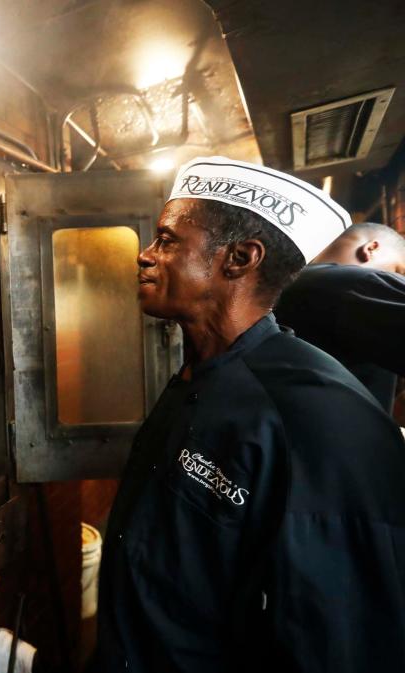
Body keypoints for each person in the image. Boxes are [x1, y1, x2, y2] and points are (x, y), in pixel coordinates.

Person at [95, 157, 405, 672]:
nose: (145, 257)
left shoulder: (314, 417)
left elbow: (338, 637)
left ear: (239, 258)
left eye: (168, 241)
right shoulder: (198, 378)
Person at [275, 223, 405, 413]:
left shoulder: (283, 289)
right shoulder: (357, 284)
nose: (398, 280)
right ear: (371, 248)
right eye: (399, 271)